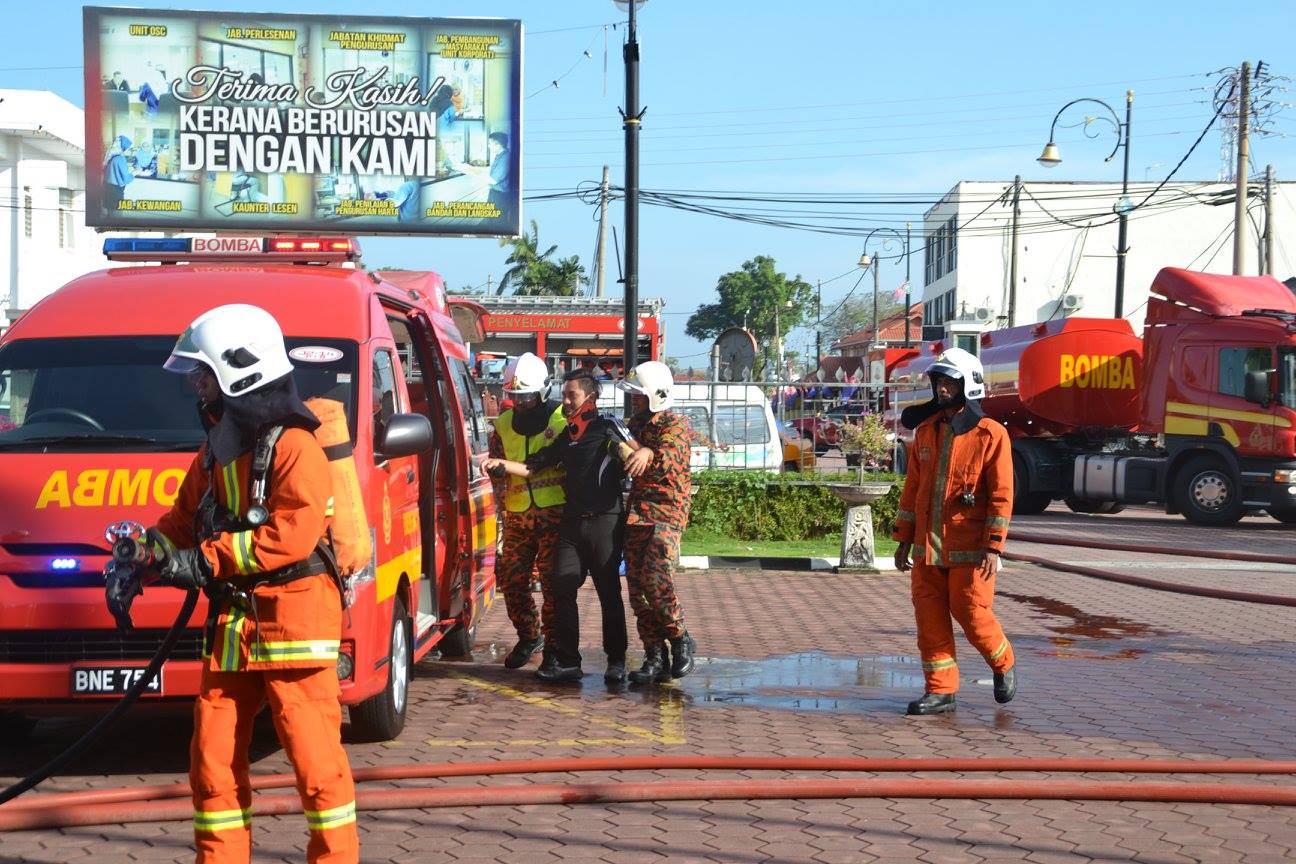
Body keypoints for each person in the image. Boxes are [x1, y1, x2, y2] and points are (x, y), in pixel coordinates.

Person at [144, 304, 358, 862]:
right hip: (236, 628)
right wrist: (144, 554)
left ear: (240, 374)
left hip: (294, 628)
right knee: (211, 764)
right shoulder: (217, 448)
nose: (197, 386)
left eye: (205, 374)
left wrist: (204, 563)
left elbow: (291, 534)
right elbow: (182, 519)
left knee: (317, 774)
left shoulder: (295, 447)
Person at [484, 368, 636, 683]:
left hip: (604, 522)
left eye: (572, 395)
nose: (565, 401)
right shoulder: (568, 434)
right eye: (564, 394)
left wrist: (640, 452)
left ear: (590, 397)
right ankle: (569, 660)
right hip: (571, 522)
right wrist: (496, 465)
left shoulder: (607, 426)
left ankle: (616, 660)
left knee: (608, 591)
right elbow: (532, 466)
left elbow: (632, 450)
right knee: (561, 587)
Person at [891, 347, 1016, 716]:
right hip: (926, 550)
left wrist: (994, 547)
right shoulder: (926, 431)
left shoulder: (990, 435)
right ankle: (941, 691)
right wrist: (903, 538)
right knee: (929, 621)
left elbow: (1002, 494)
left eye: (950, 382)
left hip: (971, 550)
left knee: (972, 613)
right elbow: (913, 488)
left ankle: (1004, 661)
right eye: (939, 382)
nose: (942, 389)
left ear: (968, 386)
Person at [617, 361, 697, 684]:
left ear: (655, 396)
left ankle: (680, 640)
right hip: (637, 514)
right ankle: (654, 654)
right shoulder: (634, 426)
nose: (634, 402)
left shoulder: (675, 426)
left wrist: (644, 451)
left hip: (666, 514)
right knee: (637, 590)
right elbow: (617, 445)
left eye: (639, 396)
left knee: (656, 578)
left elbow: (661, 463)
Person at [486, 353, 565, 671]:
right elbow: (497, 460)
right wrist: (494, 470)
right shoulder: (503, 423)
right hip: (517, 514)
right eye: (514, 396)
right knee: (513, 580)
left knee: (552, 585)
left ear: (543, 390)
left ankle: (554, 650)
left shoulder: (561, 419)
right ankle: (529, 636)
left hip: (554, 514)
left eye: (526, 396)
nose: (520, 402)